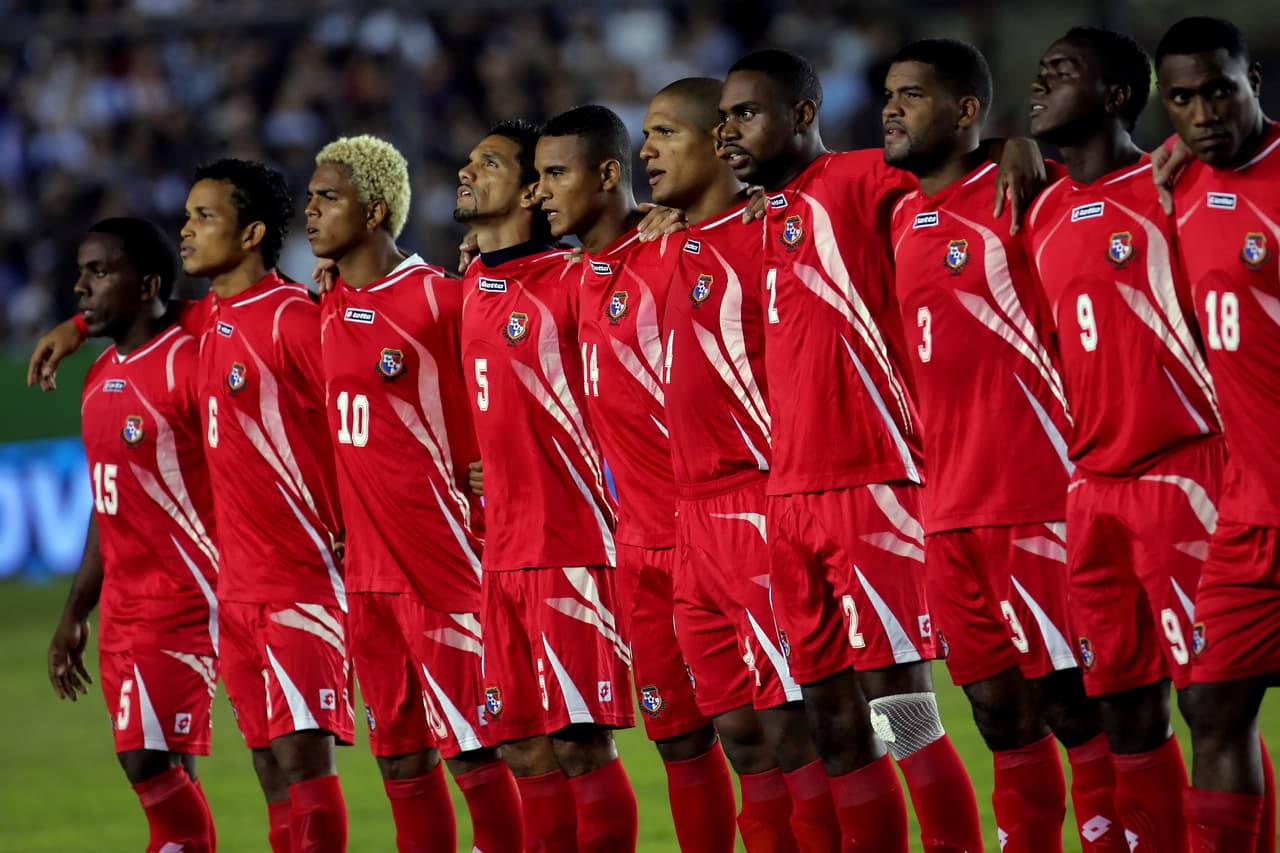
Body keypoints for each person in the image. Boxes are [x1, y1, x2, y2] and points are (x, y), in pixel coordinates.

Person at [31, 160, 352, 853]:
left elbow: (358, 409)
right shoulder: (203, 326)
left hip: (284, 579)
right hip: (237, 592)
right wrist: (77, 326)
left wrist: (363, 516)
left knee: (305, 766)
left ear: (252, 233)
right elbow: (150, 312)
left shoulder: (288, 317)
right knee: (269, 766)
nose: (187, 228)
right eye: (187, 215)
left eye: (204, 216)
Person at [537, 97, 827, 852]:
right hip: (643, 542)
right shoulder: (579, 274)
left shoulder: (679, 246)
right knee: (697, 737)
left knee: (799, 725)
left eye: (667, 134)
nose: (650, 150)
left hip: (736, 513)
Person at [717, 47, 985, 853]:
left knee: (901, 707)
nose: (730, 129)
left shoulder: (861, 178)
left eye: (747, 113)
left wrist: (1016, 150)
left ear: (802, 116)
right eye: (724, 116)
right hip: (788, 499)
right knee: (833, 725)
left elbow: (957, 169)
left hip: (871, 483)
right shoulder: (762, 218)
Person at [883, 38, 1121, 852]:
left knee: (1072, 702)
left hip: (1034, 495)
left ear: (966, 111)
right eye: (888, 93)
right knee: (996, 714)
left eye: (911, 95)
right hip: (945, 511)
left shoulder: (1026, 193)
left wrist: (1020, 148)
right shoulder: (902, 215)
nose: (890, 108)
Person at [1022, 26, 1238, 852]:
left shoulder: (1172, 186)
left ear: (1115, 96)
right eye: (1039, 72)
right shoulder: (1038, 207)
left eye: (1062, 72)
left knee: (1212, 701)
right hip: (1090, 488)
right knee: (1119, 703)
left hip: (1182, 470)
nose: (1040, 85)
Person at [305, 135, 521, 852]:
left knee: (477, 752)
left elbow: (513, 379)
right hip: (365, 579)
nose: (310, 210)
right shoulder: (328, 297)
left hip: (446, 565)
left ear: (373, 211)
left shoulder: (440, 297)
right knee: (401, 757)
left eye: (327, 197)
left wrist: (504, 466)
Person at [455, 119, 640, 852]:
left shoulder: (572, 278)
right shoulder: (469, 279)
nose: (468, 171)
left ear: (533, 188)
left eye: (489, 162)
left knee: (582, 745)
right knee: (524, 747)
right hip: (499, 554)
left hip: (570, 544)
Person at [48, 217, 218, 853]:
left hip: (181, 599)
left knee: (149, 764)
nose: (80, 288)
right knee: (163, 769)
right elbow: (105, 502)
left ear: (147, 284)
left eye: (98, 272)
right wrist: (75, 612)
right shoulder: (99, 379)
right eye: (80, 272)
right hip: (123, 605)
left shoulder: (190, 359)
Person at [1156, 16, 1280, 852]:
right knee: (1209, 703)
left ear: (1253, 82)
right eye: (1184, 98)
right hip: (1248, 513)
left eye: (1218, 91)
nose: (1203, 112)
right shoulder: (1178, 185)